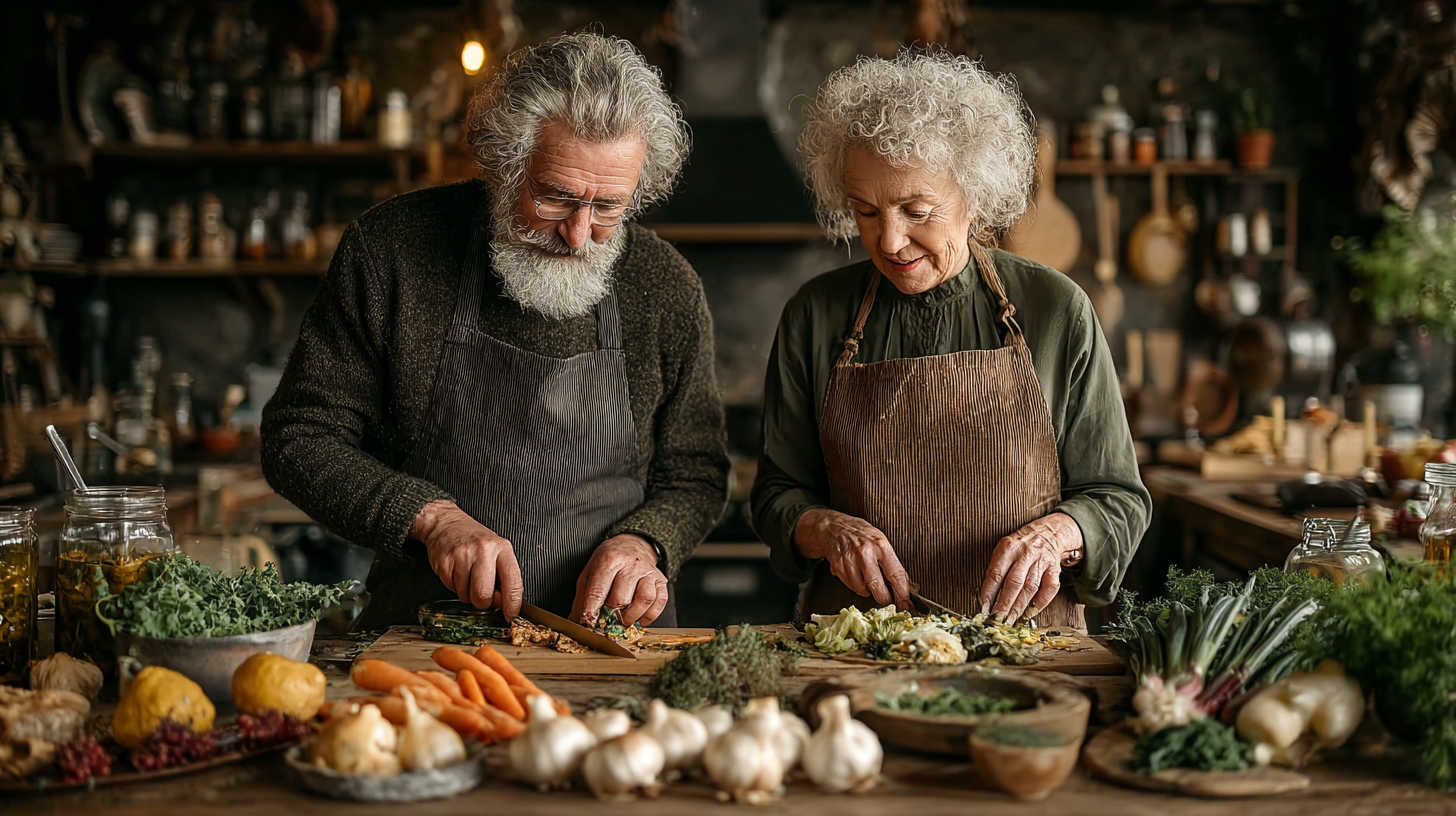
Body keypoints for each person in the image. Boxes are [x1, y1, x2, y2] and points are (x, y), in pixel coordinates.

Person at [262, 32, 728, 629]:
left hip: (615, 645)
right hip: (427, 642)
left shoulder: (663, 285)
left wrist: (645, 542)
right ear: (506, 164)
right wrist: (431, 518)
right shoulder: (392, 251)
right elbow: (298, 435)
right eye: (557, 198)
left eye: (609, 207)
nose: (580, 234)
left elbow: (695, 471)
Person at [751, 49, 1151, 629]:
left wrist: (1056, 535)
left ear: (974, 195)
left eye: (917, 210)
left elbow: (1118, 498)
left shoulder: (1055, 309)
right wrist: (827, 529)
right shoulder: (816, 315)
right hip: (857, 647)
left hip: (1026, 650)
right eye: (866, 212)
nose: (889, 241)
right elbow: (777, 494)